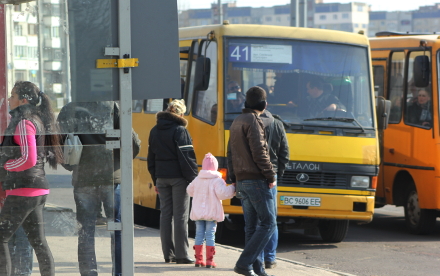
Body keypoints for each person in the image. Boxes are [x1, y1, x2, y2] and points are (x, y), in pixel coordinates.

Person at [57, 101, 140, 276]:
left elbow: (58, 146)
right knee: (117, 228)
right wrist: (118, 164)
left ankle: (89, 273)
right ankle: (119, 272)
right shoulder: (113, 106)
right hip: (112, 178)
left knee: (85, 231)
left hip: (84, 178)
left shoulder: (70, 109)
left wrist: (74, 166)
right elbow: (133, 143)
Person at [0, 81, 63, 276]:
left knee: (1, 238)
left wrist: (6, 166)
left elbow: (28, 158)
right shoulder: (34, 119)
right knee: (39, 242)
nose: (9, 100)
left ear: (23, 100)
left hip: (24, 189)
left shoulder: (24, 121)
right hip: (36, 189)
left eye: (12, 96)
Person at [227, 86, 276, 276]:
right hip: (256, 180)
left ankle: (257, 269)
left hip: (242, 180)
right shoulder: (254, 121)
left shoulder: (237, 120)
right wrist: (270, 175)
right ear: (264, 104)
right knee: (269, 224)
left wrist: (234, 177)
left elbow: (230, 153)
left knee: (251, 226)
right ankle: (243, 263)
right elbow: (260, 153)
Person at [147, 99, 198, 264]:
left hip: (161, 178)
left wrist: (155, 180)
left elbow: (150, 159)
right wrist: (193, 180)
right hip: (178, 179)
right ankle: (182, 255)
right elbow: (187, 158)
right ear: (180, 114)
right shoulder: (180, 131)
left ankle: (167, 254)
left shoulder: (154, 130)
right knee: (180, 216)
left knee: (165, 215)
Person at [186, 153, 236, 268]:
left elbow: (189, 190)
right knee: (210, 235)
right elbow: (223, 194)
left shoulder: (197, 179)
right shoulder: (217, 180)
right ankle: (209, 261)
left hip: (198, 213)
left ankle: (198, 260)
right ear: (215, 167)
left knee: (199, 234)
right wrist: (233, 187)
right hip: (212, 214)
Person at [258, 110, 289, 269]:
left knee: (256, 220)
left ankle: (257, 258)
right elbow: (285, 153)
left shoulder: (245, 122)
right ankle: (270, 258)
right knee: (270, 219)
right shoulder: (277, 124)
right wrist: (277, 174)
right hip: (272, 176)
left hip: (252, 175)